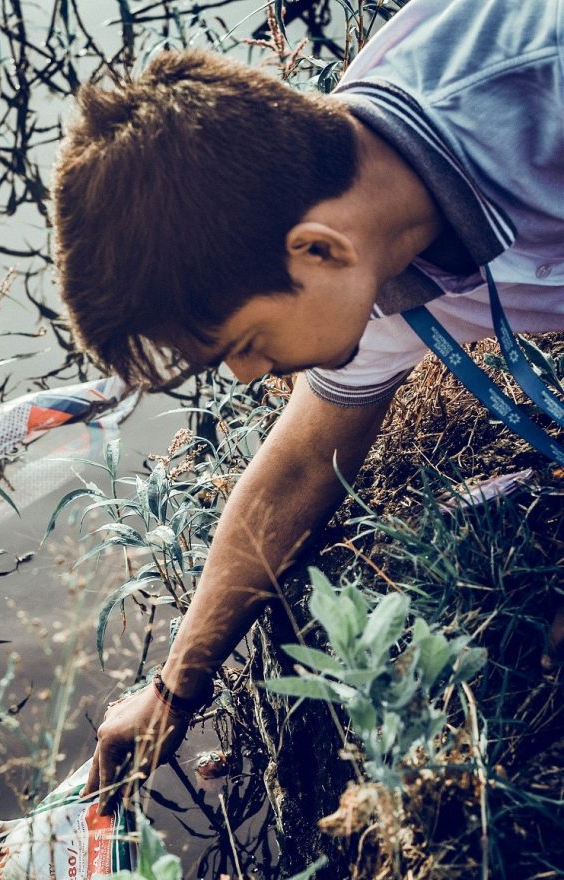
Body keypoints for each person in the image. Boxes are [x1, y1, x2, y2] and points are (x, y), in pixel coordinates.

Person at [51, 0, 564, 813]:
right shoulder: (363, 213)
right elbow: (297, 468)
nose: (252, 376)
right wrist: (175, 690)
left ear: (318, 250)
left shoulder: (539, 88)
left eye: (246, 342)